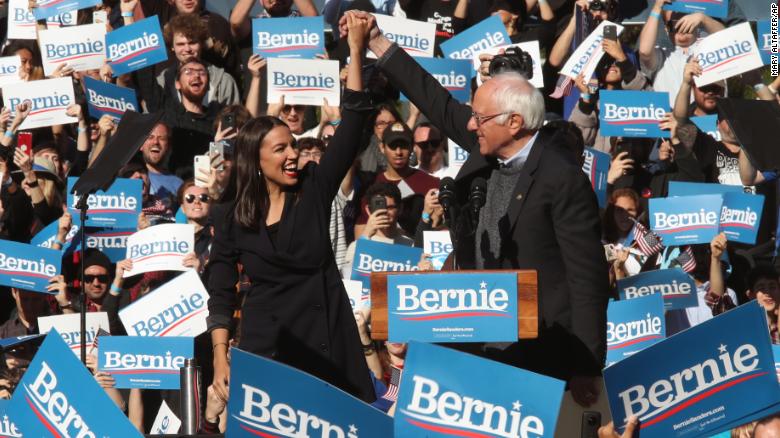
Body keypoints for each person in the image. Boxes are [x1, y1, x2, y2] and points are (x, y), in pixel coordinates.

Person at [342, 9, 609, 424]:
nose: (470, 124)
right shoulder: (488, 142)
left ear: (515, 122)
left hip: (538, 352)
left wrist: (587, 365)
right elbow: (434, 99)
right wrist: (378, 41)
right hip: (475, 344)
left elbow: (586, 278)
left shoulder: (562, 179)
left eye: (480, 118)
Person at [207, 11, 375, 404]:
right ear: (255, 159)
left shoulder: (314, 186)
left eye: (294, 146)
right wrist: (220, 356)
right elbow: (220, 288)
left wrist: (354, 51)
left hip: (328, 345)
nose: (292, 156)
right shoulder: (230, 213)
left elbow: (352, 128)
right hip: (267, 350)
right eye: (280, 148)